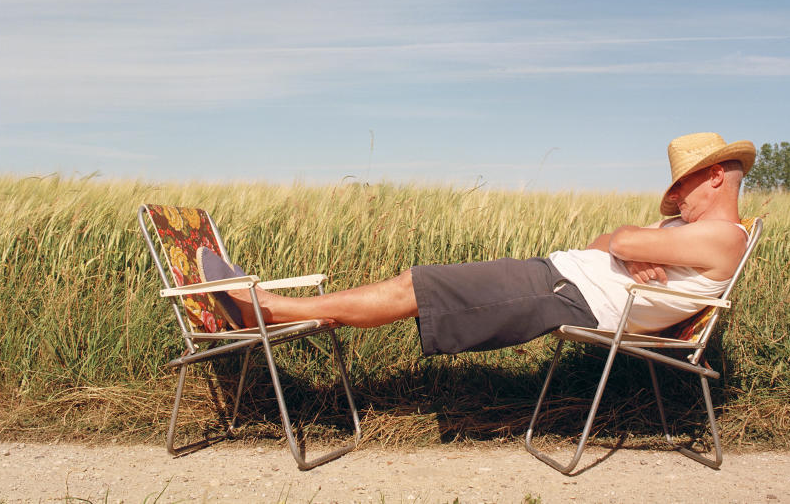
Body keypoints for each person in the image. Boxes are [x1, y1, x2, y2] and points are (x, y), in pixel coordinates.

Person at [199, 132, 756, 352]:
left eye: (682, 183)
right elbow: (605, 238)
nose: (675, 194)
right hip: (560, 278)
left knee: (422, 285)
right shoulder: (685, 232)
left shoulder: (723, 238)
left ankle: (266, 311)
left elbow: (628, 237)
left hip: (566, 294)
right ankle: (270, 309)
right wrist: (632, 254)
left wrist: (635, 247)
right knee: (419, 283)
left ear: (714, 177)